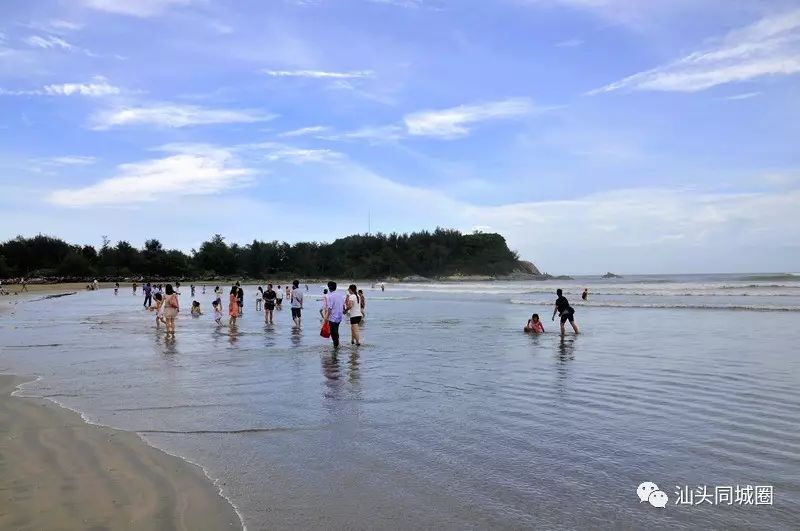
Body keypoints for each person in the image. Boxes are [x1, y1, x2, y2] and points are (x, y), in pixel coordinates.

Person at [323, 281, 345, 348]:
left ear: (329, 288)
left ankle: (336, 348)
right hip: (339, 318)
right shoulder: (340, 295)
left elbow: (329, 308)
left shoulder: (330, 296)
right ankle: (337, 345)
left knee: (333, 334)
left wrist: (326, 318)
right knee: (336, 331)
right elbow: (343, 306)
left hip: (333, 318)